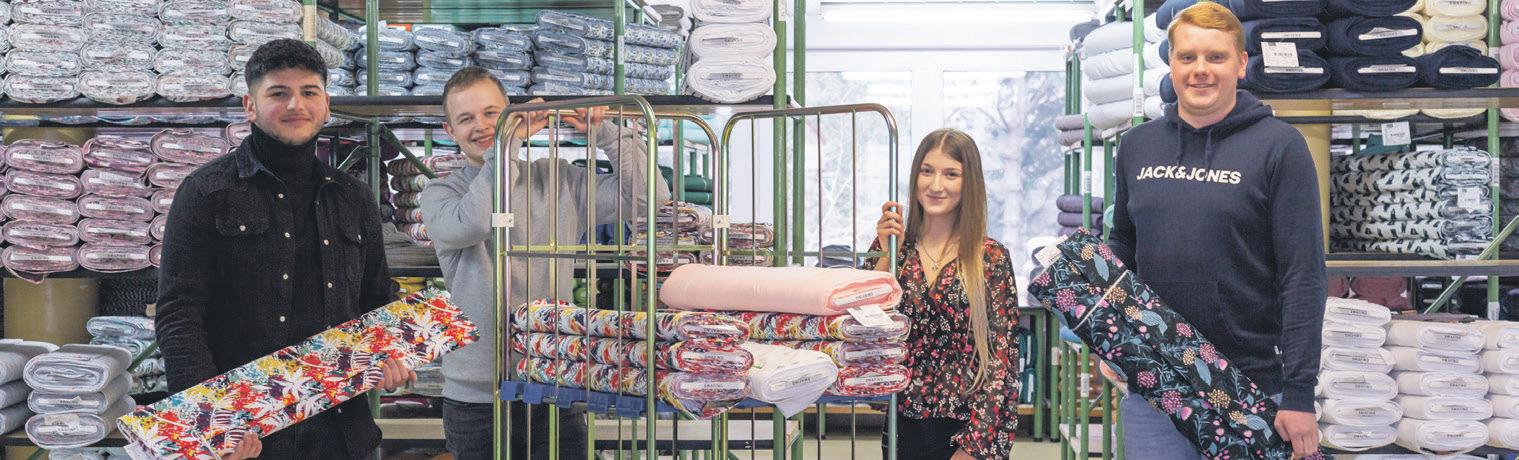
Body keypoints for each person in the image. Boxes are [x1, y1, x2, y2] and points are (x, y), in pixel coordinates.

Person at [156, 39, 414, 460]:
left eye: (309, 92)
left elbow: (377, 299)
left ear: (326, 105)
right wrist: (209, 423)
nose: (296, 104)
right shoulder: (207, 193)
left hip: (344, 435)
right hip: (249, 437)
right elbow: (180, 315)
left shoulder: (353, 197)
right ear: (250, 105)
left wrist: (391, 354)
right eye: (278, 93)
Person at [1107, 2, 1325, 458]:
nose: (1200, 70)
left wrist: (1300, 391)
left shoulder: (1280, 147)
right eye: (1187, 57)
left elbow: (1303, 275)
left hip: (1250, 385)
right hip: (1155, 383)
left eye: (1216, 57)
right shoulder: (1136, 146)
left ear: (1241, 64)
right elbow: (1121, 249)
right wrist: (1110, 341)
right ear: (1171, 64)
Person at [420, 67, 670, 460]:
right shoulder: (441, 192)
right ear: (449, 131)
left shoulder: (558, 178)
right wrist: (508, 145)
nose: (481, 126)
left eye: (492, 113)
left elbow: (648, 198)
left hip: (555, 379)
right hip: (477, 397)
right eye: (466, 118)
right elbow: (478, 221)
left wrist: (604, 132)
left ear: (510, 112)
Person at [872, 128, 1020, 460]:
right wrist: (885, 253)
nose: (936, 185)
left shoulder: (990, 257)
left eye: (951, 174)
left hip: (969, 429)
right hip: (902, 424)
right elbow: (865, 331)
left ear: (969, 183)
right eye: (927, 171)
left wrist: (975, 446)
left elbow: (1003, 363)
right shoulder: (895, 250)